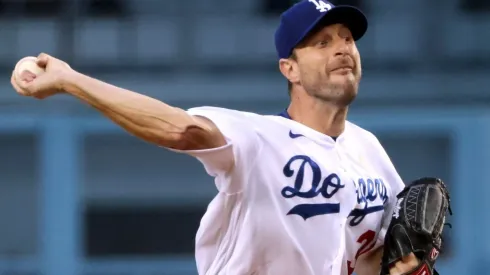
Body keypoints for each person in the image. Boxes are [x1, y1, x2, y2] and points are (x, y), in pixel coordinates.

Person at [11, 0, 420, 274]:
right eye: (322, 42)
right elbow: (181, 129)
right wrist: (69, 80)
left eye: (348, 39)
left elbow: (375, 259)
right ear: (289, 69)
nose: (343, 48)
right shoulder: (258, 137)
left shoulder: (368, 150)